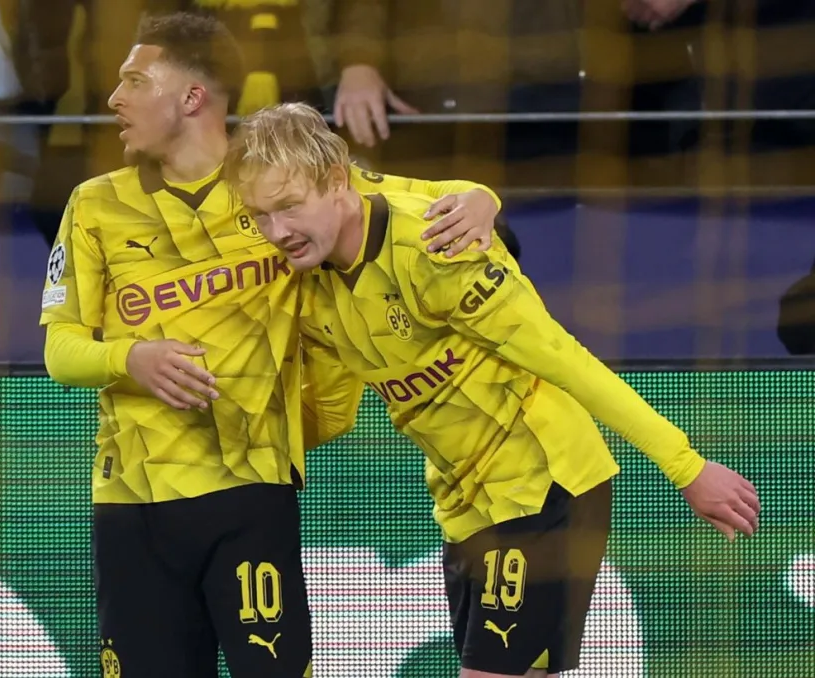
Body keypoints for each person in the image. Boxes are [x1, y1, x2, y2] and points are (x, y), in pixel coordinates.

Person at [221, 102, 762, 678]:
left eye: (289, 207)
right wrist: (238, 453)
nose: (276, 232)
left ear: (337, 181)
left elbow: (564, 359)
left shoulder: (438, 249)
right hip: (464, 506)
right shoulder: (309, 283)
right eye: (259, 216)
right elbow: (333, 411)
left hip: (541, 479)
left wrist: (686, 466)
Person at [38, 12, 502, 678]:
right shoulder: (94, 205)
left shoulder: (283, 187)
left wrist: (483, 198)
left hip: (252, 499)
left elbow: (441, 198)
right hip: (132, 506)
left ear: (192, 96)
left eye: (135, 81)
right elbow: (60, 351)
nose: (114, 98)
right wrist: (130, 358)